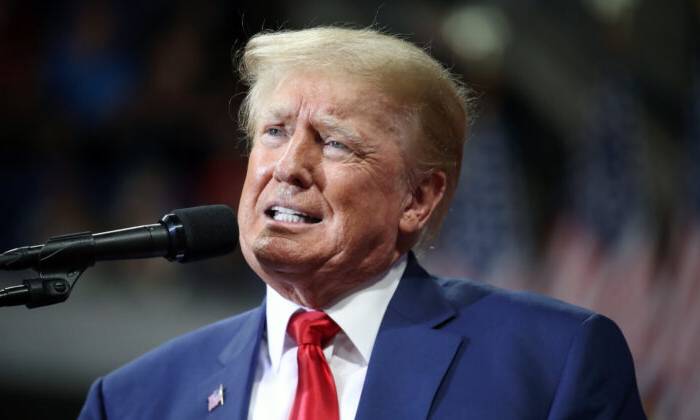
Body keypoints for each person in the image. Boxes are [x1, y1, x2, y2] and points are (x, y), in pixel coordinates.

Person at [78, 26, 647, 419]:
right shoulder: (133, 401)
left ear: (418, 199)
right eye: (274, 131)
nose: (287, 167)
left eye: (334, 142)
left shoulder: (551, 362)